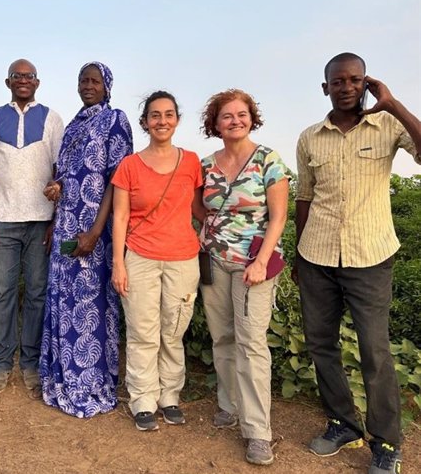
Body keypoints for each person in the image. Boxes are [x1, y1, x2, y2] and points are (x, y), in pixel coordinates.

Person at [294, 52, 421, 474]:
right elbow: (305, 197)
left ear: (366, 83)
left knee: (374, 350)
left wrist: (394, 104)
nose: (346, 87)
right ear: (325, 87)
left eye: (355, 80)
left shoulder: (388, 126)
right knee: (320, 343)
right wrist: (297, 255)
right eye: (338, 81)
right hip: (317, 254)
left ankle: (387, 443)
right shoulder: (310, 137)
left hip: (370, 256)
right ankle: (342, 423)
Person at [197, 89, 290, 465]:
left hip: (255, 264)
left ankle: (258, 431)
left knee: (251, 344)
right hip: (215, 262)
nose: (235, 120)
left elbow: (279, 217)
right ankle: (229, 404)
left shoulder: (268, 159)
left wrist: (261, 261)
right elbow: (197, 209)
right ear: (215, 124)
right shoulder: (205, 165)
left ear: (252, 117)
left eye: (241, 114)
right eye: (226, 116)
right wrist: (209, 236)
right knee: (223, 336)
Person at [40, 61, 133, 418]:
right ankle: (62, 381)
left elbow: (117, 178)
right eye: (83, 80)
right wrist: (57, 187)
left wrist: (95, 231)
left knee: (91, 305)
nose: (88, 85)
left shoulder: (115, 121)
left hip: (95, 228)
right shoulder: (74, 125)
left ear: (107, 85)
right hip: (65, 223)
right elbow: (67, 174)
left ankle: (91, 383)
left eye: (95, 80)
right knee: (64, 300)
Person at [111, 91, 202, 431]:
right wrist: (119, 264)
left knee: (172, 331)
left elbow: (198, 210)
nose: (161, 121)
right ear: (145, 122)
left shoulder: (191, 162)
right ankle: (143, 399)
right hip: (140, 258)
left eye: (168, 115)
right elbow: (119, 218)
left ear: (176, 119)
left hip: (183, 258)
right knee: (141, 332)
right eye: (154, 115)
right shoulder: (130, 166)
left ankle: (170, 396)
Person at [0, 59, 64, 395]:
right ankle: (1, 364)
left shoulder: (52, 118)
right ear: (7, 82)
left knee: (38, 294)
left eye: (29, 76)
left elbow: (60, 171)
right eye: (17, 76)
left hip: (40, 221)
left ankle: (30, 364)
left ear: (37, 83)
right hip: (1, 220)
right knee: (0, 294)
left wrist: (56, 219)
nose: (24, 80)